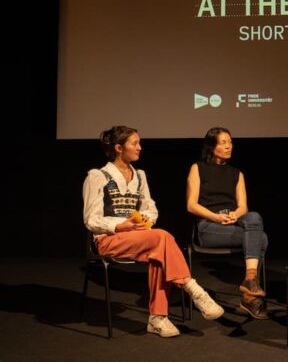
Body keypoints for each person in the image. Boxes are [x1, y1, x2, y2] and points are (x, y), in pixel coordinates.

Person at [83, 126, 224, 338]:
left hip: (138, 238)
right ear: (119, 148)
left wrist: (143, 220)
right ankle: (194, 290)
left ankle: (158, 318)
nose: (140, 147)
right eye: (135, 143)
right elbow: (91, 220)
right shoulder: (98, 176)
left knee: (159, 251)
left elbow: (150, 209)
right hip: (108, 239)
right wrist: (120, 225)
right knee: (162, 237)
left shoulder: (139, 175)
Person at [186, 127, 269, 320]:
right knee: (262, 239)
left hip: (232, 221)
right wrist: (216, 217)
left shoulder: (236, 173)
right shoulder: (198, 168)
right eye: (223, 142)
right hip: (208, 226)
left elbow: (243, 207)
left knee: (254, 216)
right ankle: (250, 297)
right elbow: (191, 205)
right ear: (211, 146)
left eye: (230, 142)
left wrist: (234, 215)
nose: (228, 146)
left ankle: (250, 279)